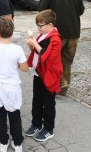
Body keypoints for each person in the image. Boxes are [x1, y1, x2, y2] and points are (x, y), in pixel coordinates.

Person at [0, 18, 29, 152]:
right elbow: (25, 68)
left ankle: (3, 141)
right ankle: (17, 143)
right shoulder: (18, 49)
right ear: (12, 33)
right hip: (13, 87)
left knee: (0, 116)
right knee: (15, 115)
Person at [38, 0, 85, 96]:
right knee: (67, 61)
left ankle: (54, 86)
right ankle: (63, 90)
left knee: (53, 60)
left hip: (56, 34)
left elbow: (41, 11)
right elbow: (81, 11)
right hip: (74, 33)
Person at [25, 9, 63, 142]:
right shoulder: (42, 35)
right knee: (37, 100)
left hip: (49, 75)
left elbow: (48, 57)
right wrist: (32, 44)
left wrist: (34, 43)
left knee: (48, 102)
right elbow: (36, 51)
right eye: (37, 25)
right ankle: (36, 123)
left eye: (41, 25)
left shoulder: (56, 39)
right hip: (39, 73)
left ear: (50, 25)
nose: (38, 28)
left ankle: (48, 128)